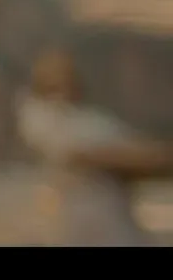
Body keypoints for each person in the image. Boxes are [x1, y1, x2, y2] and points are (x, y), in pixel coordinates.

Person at [18, 50, 173, 246]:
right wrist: (143, 157)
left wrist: (154, 157)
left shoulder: (91, 118)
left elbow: (136, 150)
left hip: (114, 218)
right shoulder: (39, 117)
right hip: (81, 222)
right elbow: (84, 154)